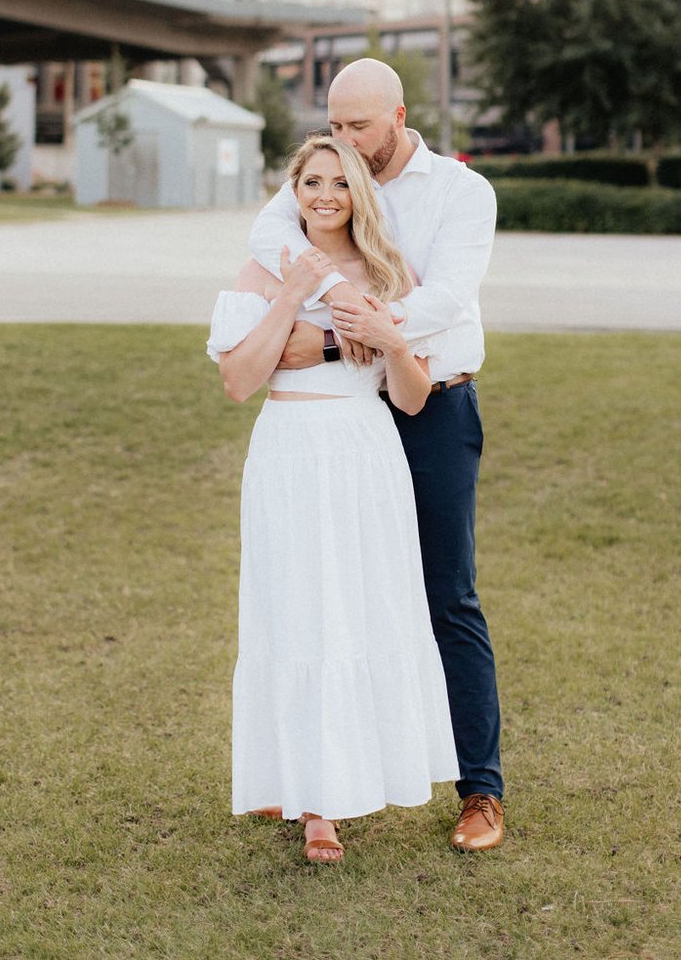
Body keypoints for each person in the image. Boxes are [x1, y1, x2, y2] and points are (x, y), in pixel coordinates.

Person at [249, 59, 504, 852]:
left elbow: (445, 297)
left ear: (398, 115)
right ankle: (323, 778)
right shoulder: (329, 175)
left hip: (432, 405)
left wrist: (330, 334)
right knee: (331, 593)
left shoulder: (462, 192)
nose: (345, 142)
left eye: (360, 126)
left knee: (444, 594)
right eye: (334, 124)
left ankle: (479, 791)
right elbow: (267, 237)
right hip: (347, 415)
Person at [207, 135, 459, 864]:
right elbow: (237, 379)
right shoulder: (263, 268)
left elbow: (411, 397)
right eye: (310, 181)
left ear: (358, 194)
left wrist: (391, 340)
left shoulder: (388, 272)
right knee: (294, 608)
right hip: (288, 448)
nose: (324, 195)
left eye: (339, 183)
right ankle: (291, 780)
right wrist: (289, 296)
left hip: (363, 451)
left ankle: (329, 800)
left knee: (353, 606)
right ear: (293, 190)